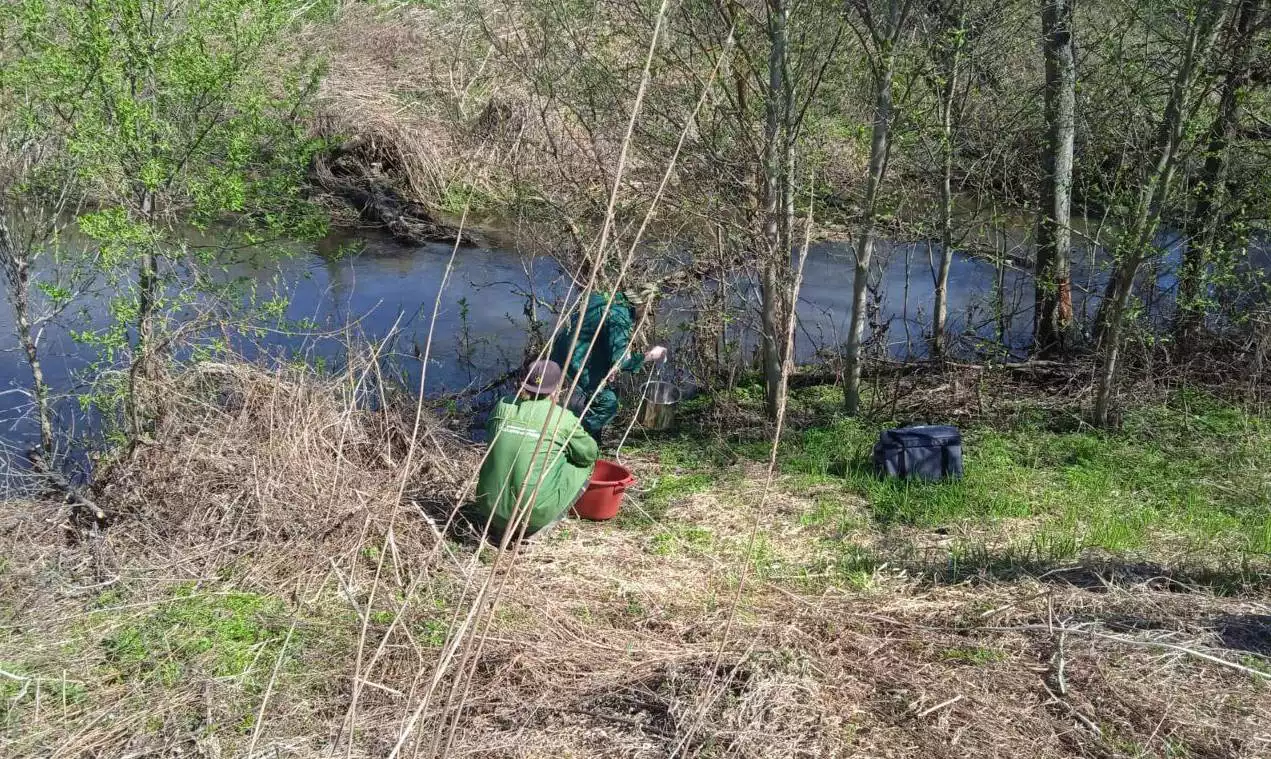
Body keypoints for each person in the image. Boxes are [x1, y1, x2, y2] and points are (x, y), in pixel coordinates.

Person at [471, 360, 598, 543]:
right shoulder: (563, 418)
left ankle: (501, 522)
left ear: (524, 383)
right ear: (558, 388)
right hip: (532, 515)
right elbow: (589, 454)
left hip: (488, 506)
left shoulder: (502, 406)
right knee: (584, 464)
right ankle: (543, 524)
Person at [550, 284, 667, 443]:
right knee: (608, 403)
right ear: (643, 305)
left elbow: (595, 337)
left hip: (556, 361)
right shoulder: (618, 317)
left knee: (594, 396)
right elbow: (622, 361)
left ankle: (580, 435)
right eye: (649, 311)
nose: (647, 315)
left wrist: (609, 366)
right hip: (576, 366)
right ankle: (574, 438)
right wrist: (651, 356)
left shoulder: (600, 299)